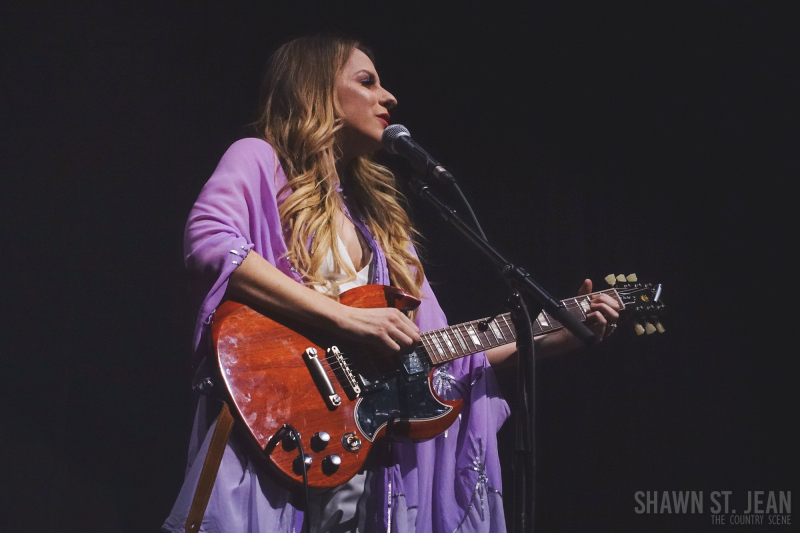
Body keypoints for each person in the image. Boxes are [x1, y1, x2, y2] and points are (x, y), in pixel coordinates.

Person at [161, 34, 621, 533]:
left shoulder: (380, 224)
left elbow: (440, 353)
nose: (389, 97)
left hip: (359, 463)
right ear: (316, 89)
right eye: (367, 81)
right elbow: (210, 242)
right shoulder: (259, 159)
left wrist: (551, 336)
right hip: (272, 428)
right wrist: (347, 320)